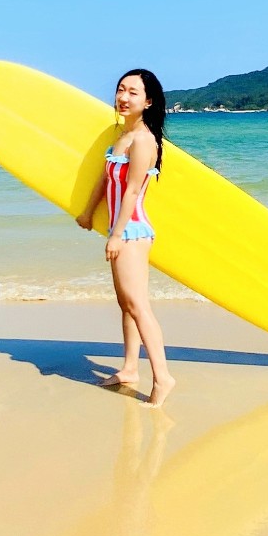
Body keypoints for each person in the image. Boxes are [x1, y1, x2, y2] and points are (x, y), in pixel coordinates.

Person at [75, 68, 177, 405]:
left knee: (138, 305)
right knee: (125, 304)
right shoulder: (120, 136)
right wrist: (89, 212)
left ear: (148, 101)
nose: (123, 97)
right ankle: (130, 368)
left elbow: (132, 191)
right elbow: (106, 182)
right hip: (120, 231)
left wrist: (116, 236)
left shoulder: (144, 139)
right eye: (121, 89)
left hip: (132, 231)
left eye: (133, 92)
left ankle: (163, 378)